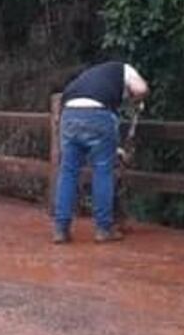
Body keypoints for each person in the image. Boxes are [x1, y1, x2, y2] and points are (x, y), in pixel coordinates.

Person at [52, 61, 148, 244]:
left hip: (69, 113)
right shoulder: (125, 69)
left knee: (68, 172)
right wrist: (138, 101)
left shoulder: (91, 76)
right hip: (98, 114)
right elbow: (140, 89)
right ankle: (104, 229)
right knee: (103, 171)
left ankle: (60, 229)